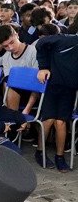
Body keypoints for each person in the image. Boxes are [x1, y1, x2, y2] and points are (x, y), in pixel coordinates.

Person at [34, 34, 78, 172]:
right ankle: (40, 151)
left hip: (69, 90)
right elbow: (40, 44)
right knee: (48, 119)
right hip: (52, 86)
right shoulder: (67, 40)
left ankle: (60, 156)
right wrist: (43, 67)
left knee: (61, 122)